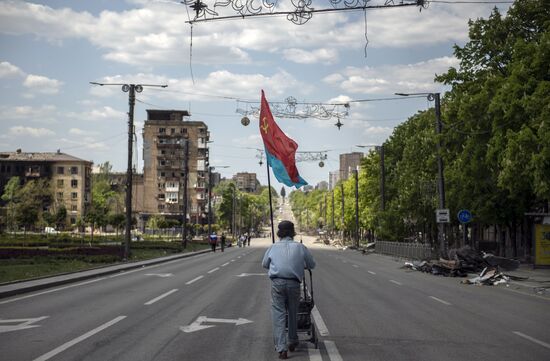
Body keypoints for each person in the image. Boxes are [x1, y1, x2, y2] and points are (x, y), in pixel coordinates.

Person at [262, 220, 316, 360]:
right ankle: (293, 340)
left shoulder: (273, 247)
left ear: (279, 233)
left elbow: (264, 264)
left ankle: (282, 348)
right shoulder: (300, 247)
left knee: (278, 315)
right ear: (293, 233)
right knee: (293, 312)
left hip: (277, 283)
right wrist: (299, 264)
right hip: (294, 284)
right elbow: (311, 264)